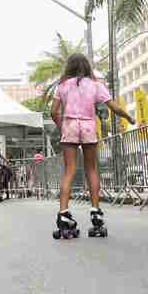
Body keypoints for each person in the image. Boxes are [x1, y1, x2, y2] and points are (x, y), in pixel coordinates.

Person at [49, 52, 134, 240]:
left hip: (70, 125)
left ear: (69, 67)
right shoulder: (96, 85)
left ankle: (63, 213)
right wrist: (128, 117)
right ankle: (95, 212)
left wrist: (62, 126)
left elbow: (53, 111)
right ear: (87, 67)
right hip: (88, 126)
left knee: (69, 171)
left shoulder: (62, 86)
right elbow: (113, 107)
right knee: (92, 170)